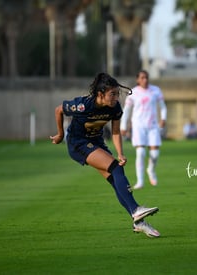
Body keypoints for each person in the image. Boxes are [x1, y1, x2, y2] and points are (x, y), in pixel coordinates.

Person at [50, 72, 160, 238]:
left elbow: (115, 132)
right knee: (116, 168)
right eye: (112, 94)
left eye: (117, 94)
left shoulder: (115, 108)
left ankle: (138, 222)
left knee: (116, 179)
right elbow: (59, 110)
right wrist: (59, 135)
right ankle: (136, 210)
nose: (116, 98)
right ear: (101, 94)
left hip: (96, 143)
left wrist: (120, 153)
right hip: (77, 143)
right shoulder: (84, 105)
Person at [120, 70, 167, 190]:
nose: (144, 80)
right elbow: (127, 110)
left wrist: (163, 118)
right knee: (140, 152)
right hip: (138, 125)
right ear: (137, 80)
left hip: (152, 125)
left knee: (154, 154)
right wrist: (123, 126)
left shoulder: (155, 90)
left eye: (146, 77)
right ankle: (140, 181)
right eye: (142, 78)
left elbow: (162, 106)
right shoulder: (133, 93)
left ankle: (151, 169)